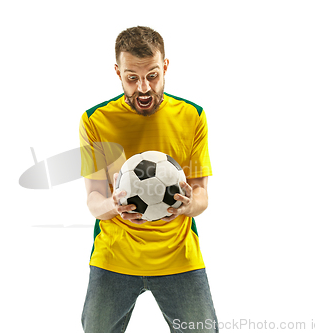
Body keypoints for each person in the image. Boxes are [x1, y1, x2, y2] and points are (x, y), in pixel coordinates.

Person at [79, 26, 218, 333]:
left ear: (165, 66)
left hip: (178, 256)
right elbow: (93, 200)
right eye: (132, 77)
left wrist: (188, 205)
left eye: (152, 75)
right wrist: (113, 205)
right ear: (118, 72)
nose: (143, 88)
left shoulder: (192, 116)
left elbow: (202, 195)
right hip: (115, 255)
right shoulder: (95, 120)